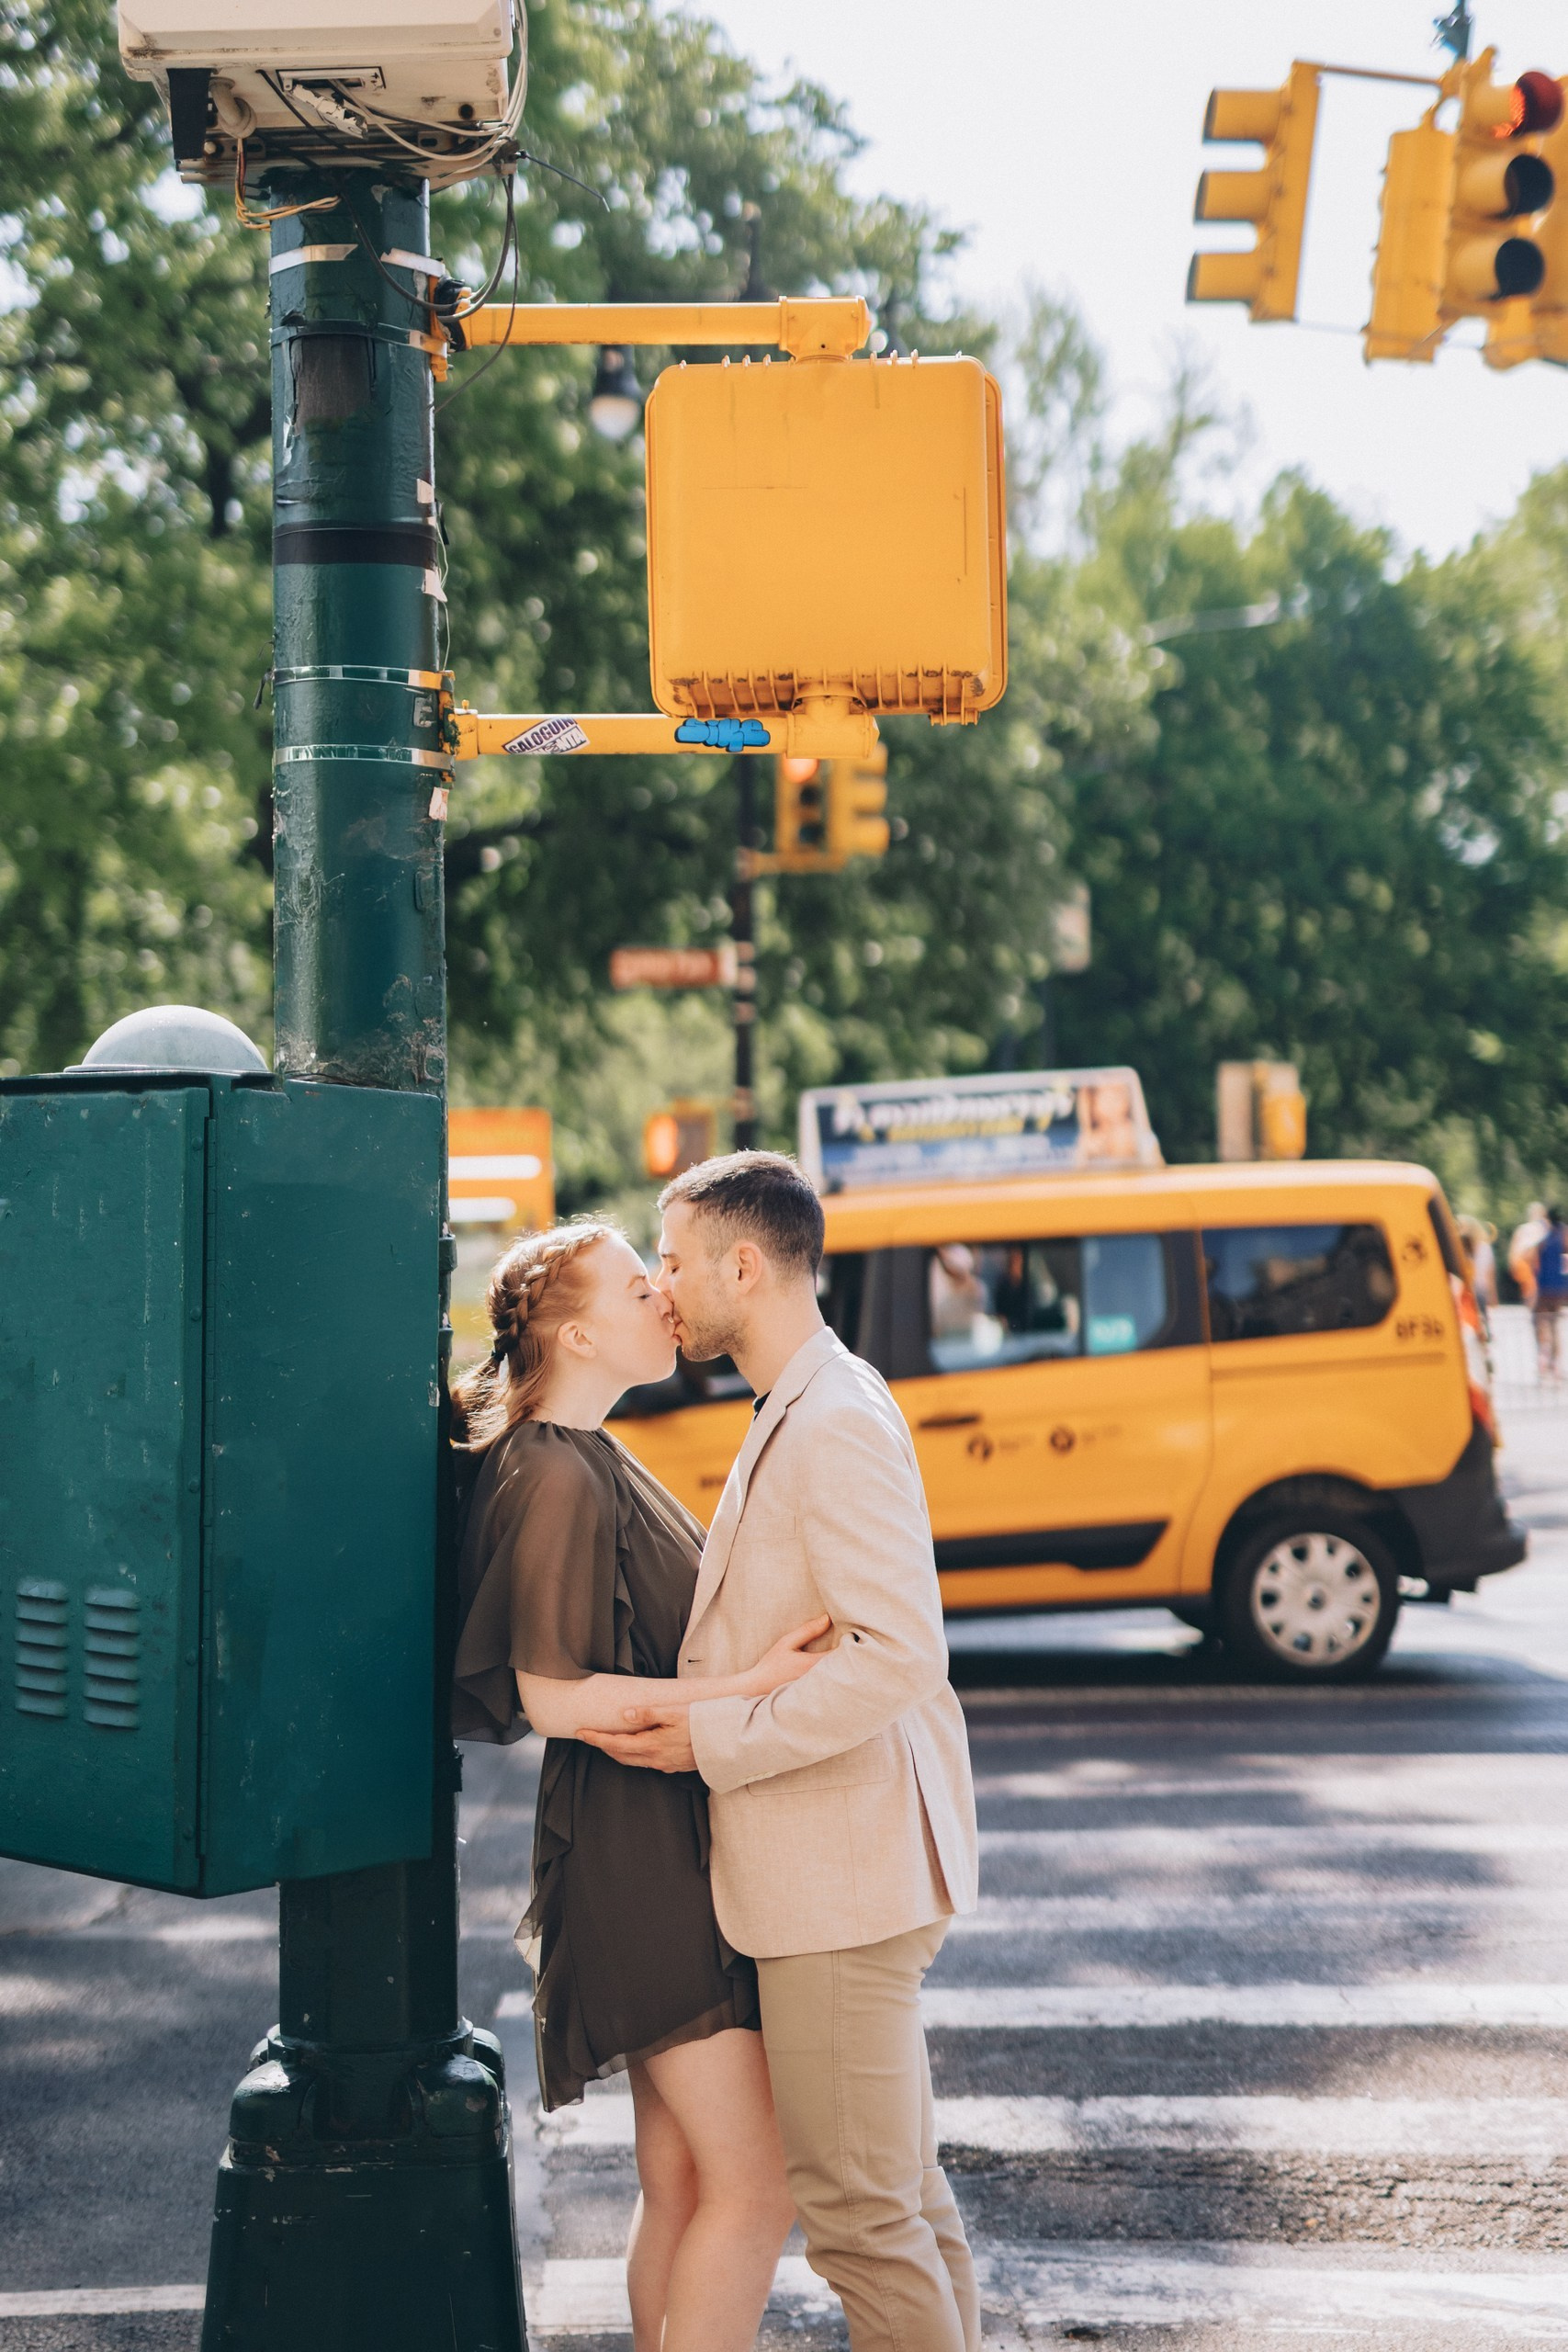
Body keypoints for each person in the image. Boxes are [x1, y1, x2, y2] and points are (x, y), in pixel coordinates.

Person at [581, 1152, 983, 2352]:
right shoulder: (808, 1401)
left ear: (741, 1267)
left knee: (859, 2216)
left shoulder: (833, 1419)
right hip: (843, 1874)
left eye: (672, 1260)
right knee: (899, 2199)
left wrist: (714, 1742)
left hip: (840, 1885)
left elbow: (899, 1651)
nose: (663, 1287)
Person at [450, 1220, 832, 2352]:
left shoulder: (585, 1453)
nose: (663, 1294)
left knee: (681, 2183)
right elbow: (554, 1698)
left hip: (650, 1842)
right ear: (578, 1331)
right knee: (758, 2187)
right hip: (640, 1856)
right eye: (636, 1282)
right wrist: (760, 1682)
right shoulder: (557, 1471)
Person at [1529, 1205, 1568, 1380]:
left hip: (1546, 1286)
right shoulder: (1563, 1234)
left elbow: (1533, 1258)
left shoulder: (1544, 1235)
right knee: (1553, 1324)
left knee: (1539, 1321)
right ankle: (1553, 1361)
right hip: (1559, 1286)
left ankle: (1546, 1359)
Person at [1508, 1201, 1550, 1306]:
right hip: (1527, 1261)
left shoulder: (1537, 1228)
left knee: (1531, 1289)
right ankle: (1533, 1307)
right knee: (1531, 1288)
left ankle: (1533, 1307)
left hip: (1529, 1261)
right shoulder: (1536, 1228)